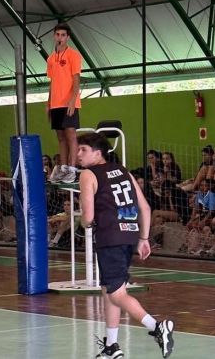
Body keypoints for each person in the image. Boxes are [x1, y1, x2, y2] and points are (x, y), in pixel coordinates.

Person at [77, 133, 175, 358]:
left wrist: (81, 220)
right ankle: (111, 346)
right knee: (109, 290)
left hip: (110, 238)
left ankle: (157, 327)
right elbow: (146, 208)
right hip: (128, 237)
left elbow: (89, 217)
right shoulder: (124, 171)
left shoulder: (88, 174)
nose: (79, 154)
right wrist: (143, 238)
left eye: (83, 149)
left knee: (118, 294)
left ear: (97, 153)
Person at [46, 22, 82, 184]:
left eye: (63, 35)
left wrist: (73, 100)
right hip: (55, 104)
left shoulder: (73, 55)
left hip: (69, 102)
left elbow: (76, 79)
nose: (60, 37)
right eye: (57, 34)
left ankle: (72, 169)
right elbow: (52, 81)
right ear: (54, 36)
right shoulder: (51, 58)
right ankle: (63, 167)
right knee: (60, 137)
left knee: (70, 135)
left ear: (68, 37)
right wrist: (48, 103)